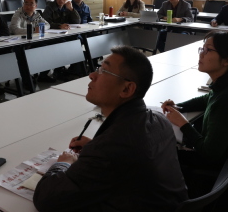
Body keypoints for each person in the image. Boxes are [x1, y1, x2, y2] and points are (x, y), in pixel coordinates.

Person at [33, 46, 187, 211]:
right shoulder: (160, 120)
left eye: (103, 71)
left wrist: (64, 163)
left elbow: (46, 199)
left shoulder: (110, 147)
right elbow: (127, 158)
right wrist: (93, 147)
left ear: (126, 89)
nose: (92, 75)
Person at [162, 32, 228, 174]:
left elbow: (209, 154)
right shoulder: (227, 85)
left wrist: (183, 123)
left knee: (158, 152)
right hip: (227, 157)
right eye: (202, 49)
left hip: (222, 168)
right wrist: (179, 107)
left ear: (227, 60)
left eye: (208, 50)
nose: (201, 54)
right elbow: (206, 98)